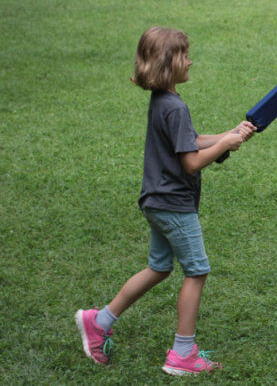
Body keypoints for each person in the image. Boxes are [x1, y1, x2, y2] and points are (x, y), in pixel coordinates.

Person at [75, 26, 257, 374]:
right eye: (185, 55)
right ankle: (182, 355)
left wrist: (229, 134)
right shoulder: (175, 107)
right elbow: (190, 162)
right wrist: (223, 146)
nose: (190, 60)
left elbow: (190, 141)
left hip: (156, 201)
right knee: (197, 270)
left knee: (159, 267)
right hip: (174, 205)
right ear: (170, 62)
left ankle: (97, 321)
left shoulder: (164, 101)